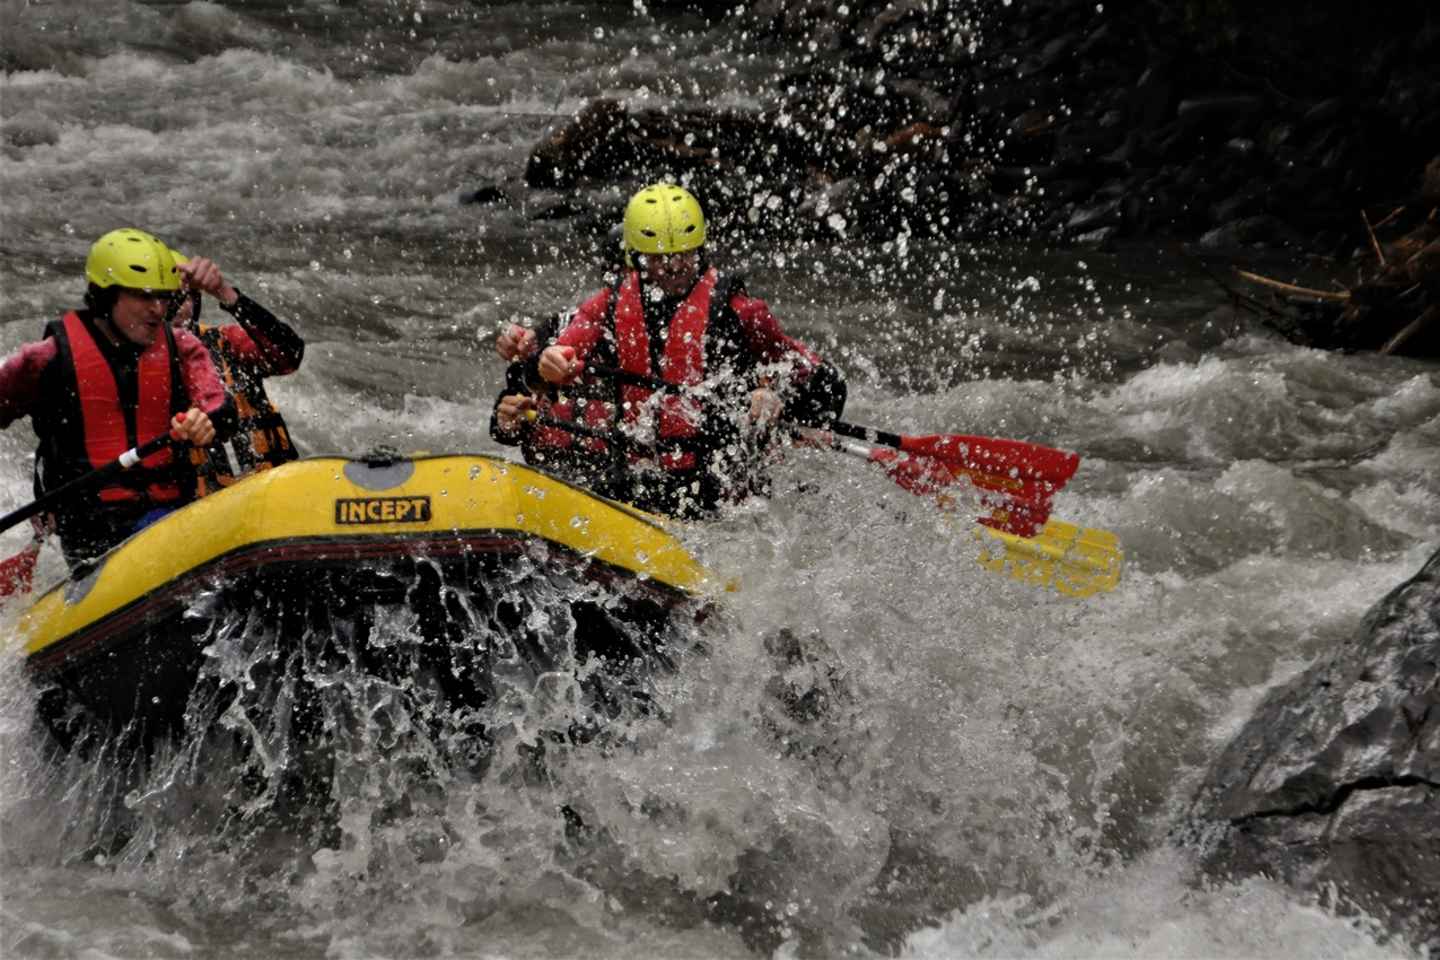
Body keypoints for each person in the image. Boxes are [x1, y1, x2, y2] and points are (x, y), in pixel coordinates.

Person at [496, 182, 846, 518]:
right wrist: (544, 366)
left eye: (684, 255)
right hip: (636, 478)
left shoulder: (741, 311)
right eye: (660, 259)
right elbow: (550, 363)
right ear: (637, 258)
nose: (674, 267)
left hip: (716, 483)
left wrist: (771, 392)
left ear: (701, 249)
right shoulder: (605, 305)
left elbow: (824, 383)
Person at [0, 228, 236, 568]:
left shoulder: (183, 348)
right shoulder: (48, 358)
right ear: (107, 296)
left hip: (167, 513)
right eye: (143, 296)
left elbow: (220, 410)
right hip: (89, 528)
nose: (157, 309)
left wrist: (206, 423)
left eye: (164, 297)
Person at [168, 250, 303, 495]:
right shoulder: (139, 366)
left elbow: (289, 357)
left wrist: (225, 293)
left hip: (272, 489)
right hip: (202, 510)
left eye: (184, 298)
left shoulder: (226, 343)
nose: (176, 308)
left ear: (196, 301)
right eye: (167, 298)